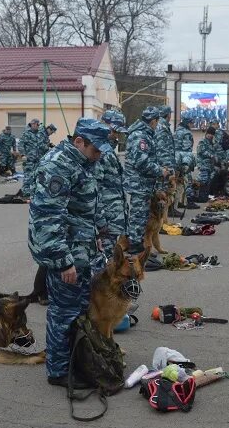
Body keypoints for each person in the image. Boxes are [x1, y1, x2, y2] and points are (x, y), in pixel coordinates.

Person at [28, 118, 113, 387]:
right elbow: (47, 217)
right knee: (64, 312)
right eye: (95, 149)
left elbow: (89, 201)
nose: (99, 154)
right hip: (65, 252)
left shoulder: (84, 163)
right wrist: (63, 262)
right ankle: (59, 371)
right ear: (79, 142)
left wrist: (99, 232)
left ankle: (76, 361)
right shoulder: (58, 166)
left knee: (77, 308)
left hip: (82, 246)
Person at [123, 106, 168, 254]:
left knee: (142, 217)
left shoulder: (146, 134)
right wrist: (160, 170)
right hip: (138, 184)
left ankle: (138, 247)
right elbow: (141, 162)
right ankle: (134, 249)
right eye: (157, 122)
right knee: (138, 217)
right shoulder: (140, 136)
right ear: (153, 121)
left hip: (144, 184)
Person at [96, 109, 129, 261]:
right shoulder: (100, 151)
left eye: (118, 132)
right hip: (106, 216)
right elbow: (95, 187)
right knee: (104, 258)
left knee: (109, 256)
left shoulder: (108, 149)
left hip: (113, 215)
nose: (116, 136)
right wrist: (100, 219)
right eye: (114, 131)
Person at [174, 113, 199, 209]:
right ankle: (185, 201)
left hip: (175, 159)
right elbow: (187, 150)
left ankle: (180, 201)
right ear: (188, 123)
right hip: (182, 160)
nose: (193, 125)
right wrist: (187, 164)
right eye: (192, 123)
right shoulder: (186, 133)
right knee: (185, 181)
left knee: (177, 182)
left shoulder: (177, 131)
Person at [19, 118, 47, 198]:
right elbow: (21, 145)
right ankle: (26, 193)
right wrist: (23, 155)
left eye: (38, 125)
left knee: (38, 176)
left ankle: (35, 192)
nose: (37, 126)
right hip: (29, 160)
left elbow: (43, 145)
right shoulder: (26, 133)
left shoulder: (40, 134)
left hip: (38, 159)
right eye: (36, 124)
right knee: (28, 176)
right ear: (32, 124)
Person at [195, 126, 218, 198]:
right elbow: (201, 151)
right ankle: (201, 196)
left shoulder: (211, 142)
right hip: (203, 164)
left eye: (212, 135)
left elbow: (214, 150)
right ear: (207, 133)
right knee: (203, 180)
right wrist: (211, 155)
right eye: (210, 134)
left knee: (208, 180)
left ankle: (206, 195)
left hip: (209, 165)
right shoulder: (202, 141)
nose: (211, 136)